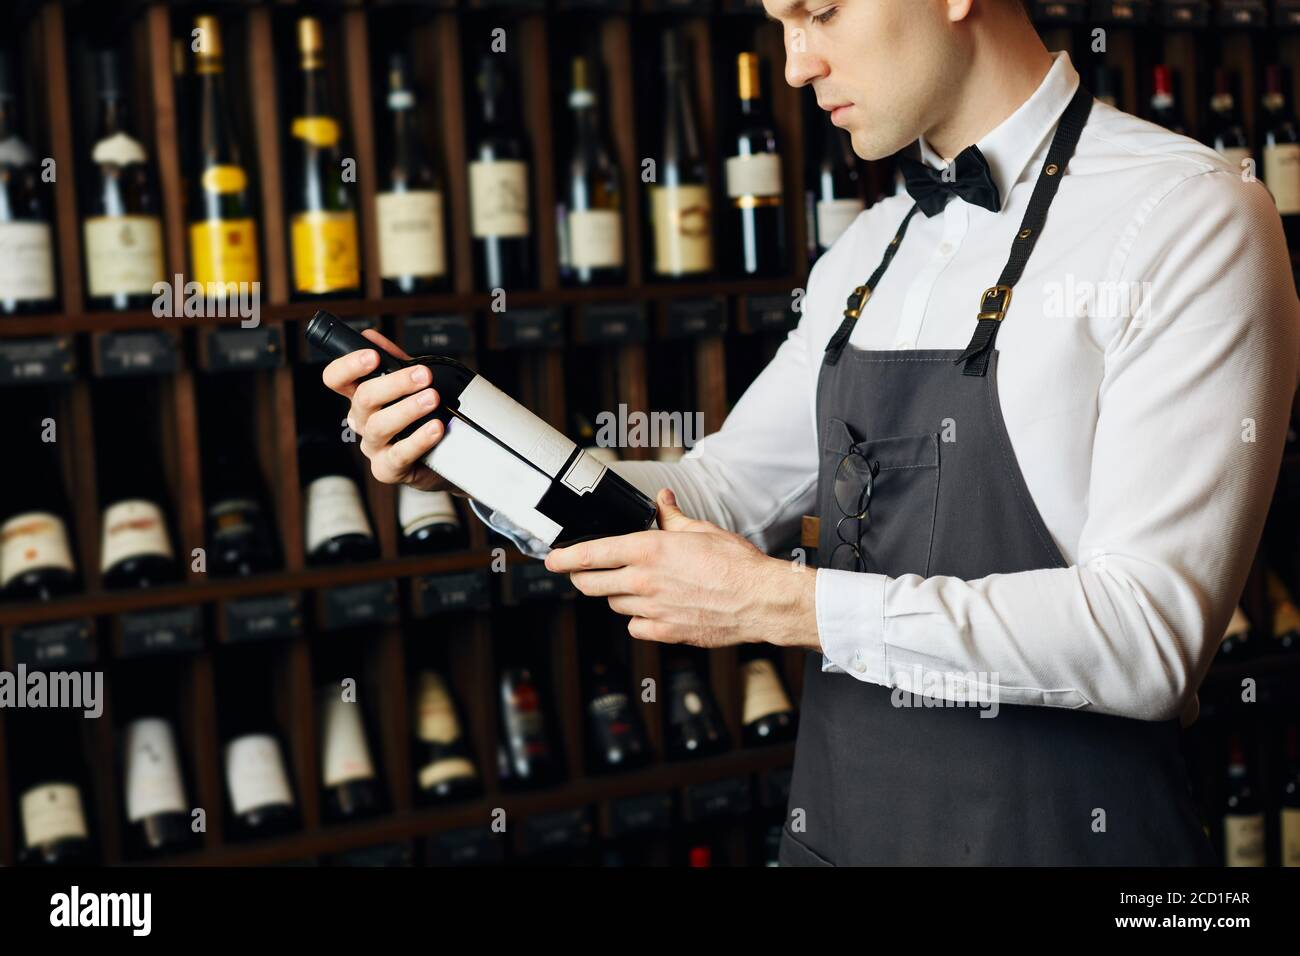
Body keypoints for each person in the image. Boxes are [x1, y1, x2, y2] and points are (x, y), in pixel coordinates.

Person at [322, 0, 1300, 865]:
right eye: (779, 26)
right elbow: (712, 493)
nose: (793, 66)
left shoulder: (1187, 217)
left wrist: (788, 606)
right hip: (839, 830)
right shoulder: (865, 253)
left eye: (818, 12)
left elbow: (1146, 637)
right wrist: (464, 453)